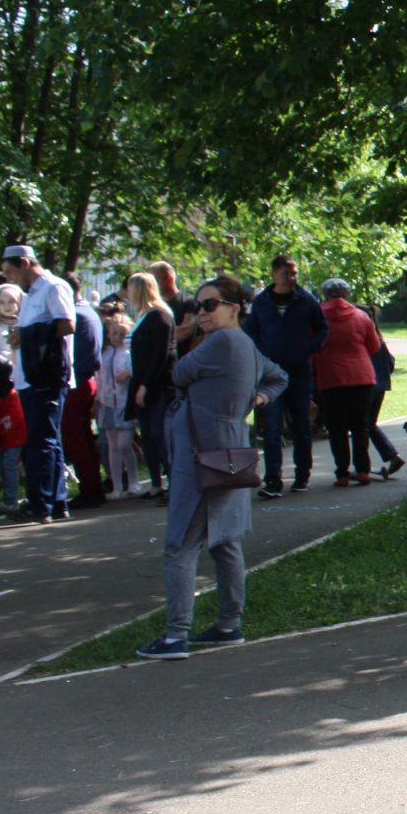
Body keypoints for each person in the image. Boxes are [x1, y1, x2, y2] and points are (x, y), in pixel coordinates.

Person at [135, 276, 287, 660]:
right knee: (225, 543)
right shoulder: (246, 346)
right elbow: (277, 376)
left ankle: (175, 635)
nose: (200, 313)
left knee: (180, 545)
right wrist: (259, 397)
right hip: (229, 456)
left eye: (209, 305)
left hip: (202, 460)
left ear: (233, 308)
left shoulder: (222, 341)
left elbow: (179, 372)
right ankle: (228, 624)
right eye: (197, 306)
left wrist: (187, 339)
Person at [0, 244, 75, 524]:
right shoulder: (31, 293)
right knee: (48, 439)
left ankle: (40, 502)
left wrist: (27, 334)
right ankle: (54, 502)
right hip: (33, 376)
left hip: (49, 377)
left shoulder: (53, 287)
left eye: (11, 272)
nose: (10, 278)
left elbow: (67, 324)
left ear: (24, 263)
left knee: (40, 440)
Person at [244, 254, 328, 498]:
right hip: (270, 374)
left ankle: (302, 475)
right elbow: (251, 332)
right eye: (286, 274)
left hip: (298, 371)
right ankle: (273, 481)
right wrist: (262, 354)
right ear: (274, 274)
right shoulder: (262, 303)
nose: (291, 278)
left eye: (294, 274)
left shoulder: (306, 300)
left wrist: (309, 348)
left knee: (301, 425)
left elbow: (322, 328)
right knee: (271, 427)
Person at [312, 277, 383, 485]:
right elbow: (374, 346)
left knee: (337, 427)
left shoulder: (318, 317)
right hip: (362, 375)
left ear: (325, 293)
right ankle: (363, 470)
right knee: (360, 425)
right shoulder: (361, 316)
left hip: (331, 376)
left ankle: (342, 472)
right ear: (347, 294)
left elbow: (313, 346)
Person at [126, 272, 176, 498]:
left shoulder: (160, 316)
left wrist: (145, 385)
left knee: (159, 432)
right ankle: (156, 483)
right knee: (146, 433)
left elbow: (161, 354)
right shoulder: (142, 315)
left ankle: (175, 480)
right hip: (142, 381)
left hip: (158, 384)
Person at [62, 288, 106, 508]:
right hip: (87, 380)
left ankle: (89, 489)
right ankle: (93, 486)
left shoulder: (77, 316)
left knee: (75, 438)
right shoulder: (89, 312)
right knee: (85, 437)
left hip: (76, 382)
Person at [97, 311, 140, 500]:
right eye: (114, 333)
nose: (117, 337)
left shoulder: (129, 354)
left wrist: (129, 373)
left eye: (121, 334)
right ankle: (117, 486)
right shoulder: (104, 353)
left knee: (124, 444)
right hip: (107, 402)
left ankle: (133, 481)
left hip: (124, 403)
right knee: (112, 446)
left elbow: (136, 370)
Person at [360, 303, 404, 478]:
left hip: (368, 385)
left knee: (364, 425)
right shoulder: (379, 339)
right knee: (369, 424)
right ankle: (391, 456)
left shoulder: (365, 341)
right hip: (381, 385)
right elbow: (391, 363)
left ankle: (386, 457)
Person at [0, 282, 23, 516]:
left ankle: (12, 498)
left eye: (11, 301)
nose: (7, 306)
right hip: (0, 390)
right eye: (2, 302)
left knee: (12, 451)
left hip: (17, 391)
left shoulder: (24, 325)